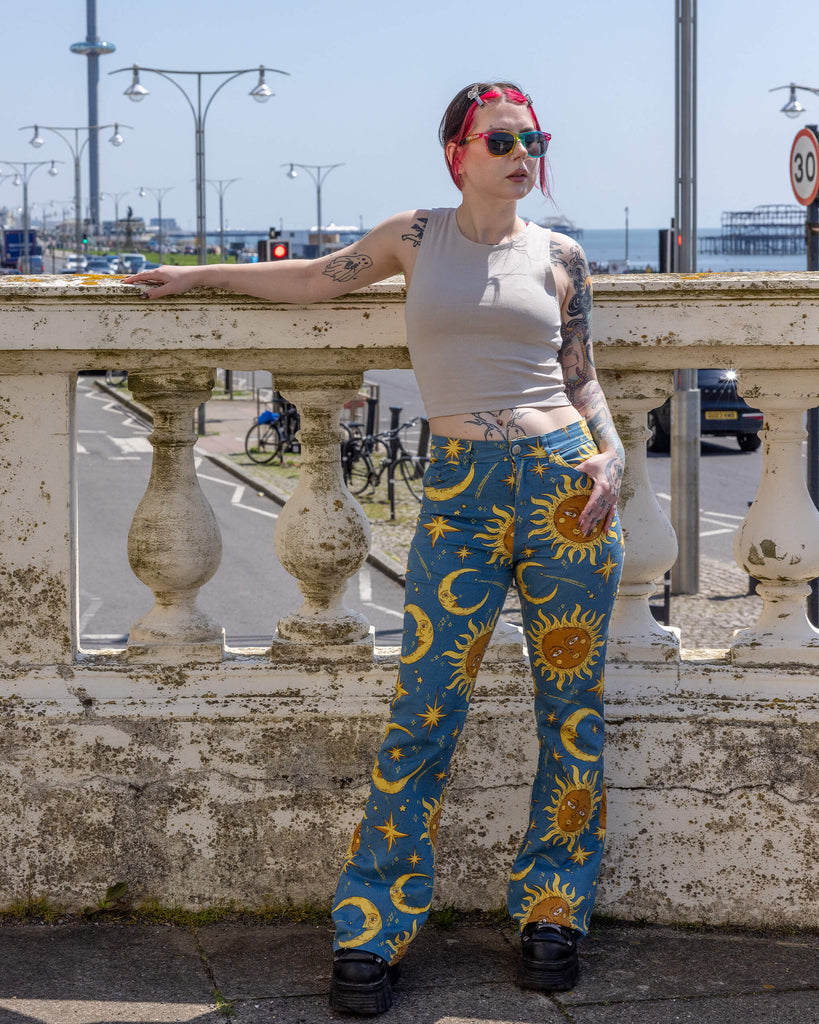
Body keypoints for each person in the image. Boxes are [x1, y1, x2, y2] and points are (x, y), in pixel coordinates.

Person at [123, 80, 625, 1017]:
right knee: (423, 711)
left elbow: (581, 377)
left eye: (535, 139)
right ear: (458, 154)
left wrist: (613, 455)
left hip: (567, 491)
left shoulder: (560, 255)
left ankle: (553, 912)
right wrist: (194, 279)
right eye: (504, 139)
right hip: (461, 497)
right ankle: (374, 926)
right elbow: (317, 277)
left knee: (571, 710)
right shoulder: (416, 237)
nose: (525, 153)